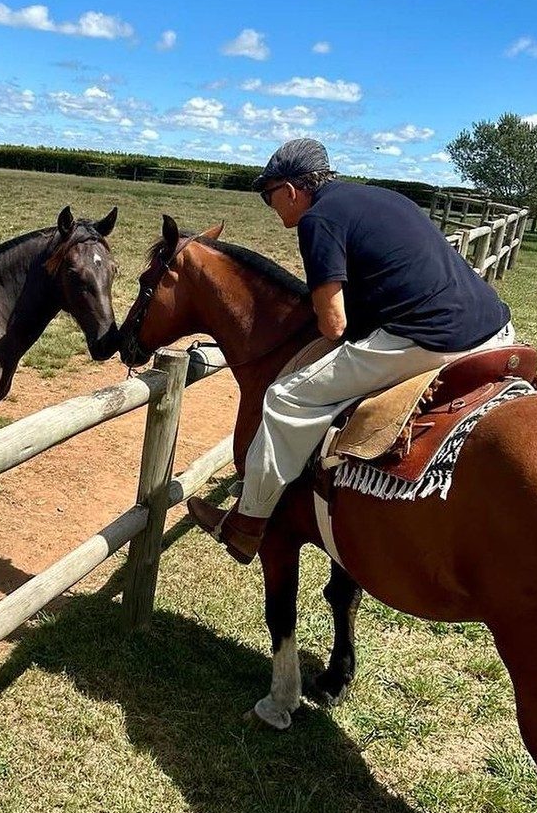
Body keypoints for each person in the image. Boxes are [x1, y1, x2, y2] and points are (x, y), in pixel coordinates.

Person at [187, 138, 515, 563]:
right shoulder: (383, 197)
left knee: (286, 397)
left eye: (269, 197)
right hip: (496, 327)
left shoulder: (317, 219)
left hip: (432, 339)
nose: (272, 207)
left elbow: (334, 324)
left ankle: (246, 524)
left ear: (290, 189)